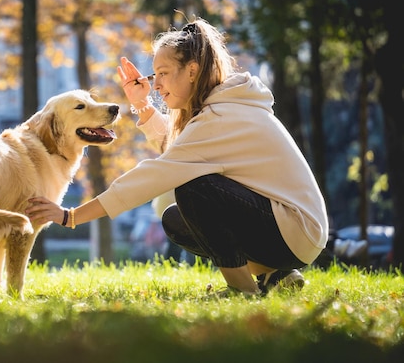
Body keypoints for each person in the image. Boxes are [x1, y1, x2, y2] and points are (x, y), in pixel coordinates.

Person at [26, 17, 329, 297]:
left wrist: (71, 216)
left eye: (163, 74)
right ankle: (275, 276)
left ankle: (242, 290)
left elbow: (155, 174)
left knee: (192, 189)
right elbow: (179, 150)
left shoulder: (219, 117)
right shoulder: (223, 107)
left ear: (193, 71)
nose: (156, 84)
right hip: (295, 231)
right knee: (173, 214)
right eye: (154, 74)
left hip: (294, 230)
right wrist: (143, 105)